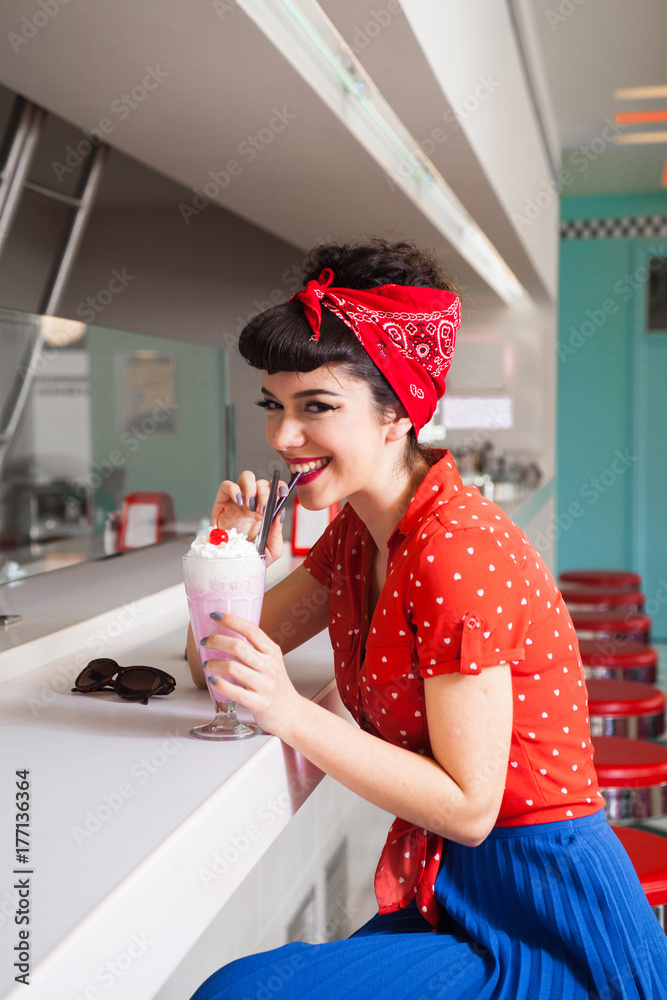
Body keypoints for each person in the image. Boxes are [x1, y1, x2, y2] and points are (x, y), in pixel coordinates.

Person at [187, 239, 667, 1000]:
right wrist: (228, 560)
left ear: (397, 415)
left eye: (316, 407)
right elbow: (220, 663)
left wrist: (288, 711)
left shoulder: (453, 553)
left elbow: (471, 810)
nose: (282, 438)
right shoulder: (359, 530)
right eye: (275, 406)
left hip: (543, 907)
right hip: (453, 883)